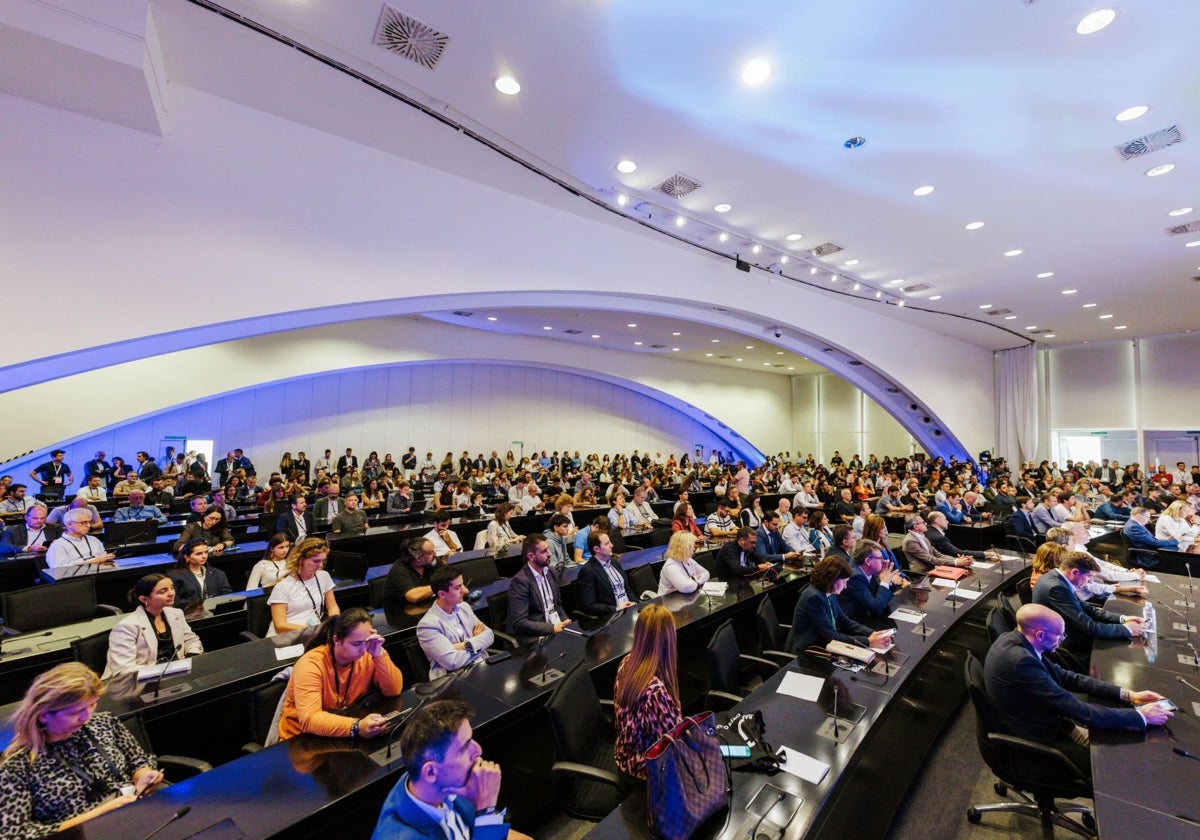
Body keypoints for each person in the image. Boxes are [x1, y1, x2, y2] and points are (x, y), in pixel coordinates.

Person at [983, 603, 1172, 773]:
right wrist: (1141, 716)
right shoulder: (1022, 662)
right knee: (1118, 765)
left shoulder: (1018, 640)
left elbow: (1065, 677)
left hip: (1040, 718)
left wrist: (1128, 695)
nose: (1062, 639)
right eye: (1060, 635)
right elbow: (1076, 709)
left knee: (1117, 734)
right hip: (1038, 739)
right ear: (1040, 634)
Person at [0, 663, 165, 837]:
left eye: (92, 705)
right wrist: (98, 814)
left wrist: (143, 775)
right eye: (76, 712)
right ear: (43, 714)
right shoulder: (18, 765)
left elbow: (138, 760)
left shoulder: (103, 723)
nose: (87, 717)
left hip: (136, 816)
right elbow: (15, 834)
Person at [371, 700, 521, 840]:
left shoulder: (429, 782)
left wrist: (478, 804)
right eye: (465, 747)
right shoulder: (403, 835)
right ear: (430, 772)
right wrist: (486, 808)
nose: (478, 750)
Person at [277, 608, 404, 740]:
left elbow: (393, 690)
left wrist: (379, 655)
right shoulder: (311, 664)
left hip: (339, 732)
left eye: (366, 642)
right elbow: (309, 719)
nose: (363, 649)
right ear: (337, 640)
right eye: (356, 644)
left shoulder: (368, 654)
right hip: (301, 740)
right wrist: (356, 726)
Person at [612, 604, 683, 782]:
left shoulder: (627, 661)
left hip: (625, 755)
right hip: (647, 768)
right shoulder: (654, 693)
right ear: (668, 640)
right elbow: (673, 745)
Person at [1032, 551, 1145, 654]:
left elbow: (1088, 609)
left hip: (1071, 629)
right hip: (1064, 642)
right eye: (1089, 576)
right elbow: (1091, 628)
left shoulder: (1055, 578)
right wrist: (1127, 629)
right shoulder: (1056, 588)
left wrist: (1123, 619)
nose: (1091, 581)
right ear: (1075, 572)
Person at [785, 556, 894, 653]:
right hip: (807, 651)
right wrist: (868, 642)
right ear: (832, 579)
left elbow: (844, 620)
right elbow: (831, 636)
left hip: (822, 644)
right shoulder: (814, 598)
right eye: (843, 582)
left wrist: (872, 633)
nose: (845, 586)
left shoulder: (829, 592)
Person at [103, 573, 203, 679]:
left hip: (176, 673)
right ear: (144, 599)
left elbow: (191, 640)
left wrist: (192, 657)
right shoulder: (126, 627)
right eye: (163, 591)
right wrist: (162, 672)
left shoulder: (176, 614)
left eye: (172, 588)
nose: (171, 593)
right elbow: (124, 669)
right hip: (140, 681)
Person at [417, 566, 496, 679]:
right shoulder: (427, 625)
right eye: (458, 587)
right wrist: (477, 643)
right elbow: (452, 662)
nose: (464, 590)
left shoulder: (464, 607)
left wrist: (463, 645)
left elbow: (489, 635)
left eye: (462, 584)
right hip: (453, 681)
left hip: (482, 668)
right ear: (442, 594)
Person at [268, 537, 340, 636]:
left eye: (323, 560)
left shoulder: (323, 576)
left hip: (314, 632)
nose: (320, 565)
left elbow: (332, 606)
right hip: (287, 635)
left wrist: (333, 624)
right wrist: (313, 630)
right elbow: (280, 626)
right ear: (301, 560)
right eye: (316, 561)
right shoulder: (282, 587)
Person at [506, 534, 572, 636]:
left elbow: (558, 605)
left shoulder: (551, 572)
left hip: (554, 628)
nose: (549, 554)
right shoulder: (520, 581)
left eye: (548, 549)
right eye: (544, 551)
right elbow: (520, 622)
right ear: (531, 556)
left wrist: (566, 623)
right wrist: (552, 628)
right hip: (535, 635)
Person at [839, 539, 909, 621]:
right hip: (854, 621)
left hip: (866, 616)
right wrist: (885, 582)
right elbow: (876, 608)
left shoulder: (869, 570)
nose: (884, 561)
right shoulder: (855, 577)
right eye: (880, 558)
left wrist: (889, 581)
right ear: (868, 561)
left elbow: (878, 596)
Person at [576, 530, 634, 615]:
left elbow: (627, 589)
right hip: (612, 616)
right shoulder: (588, 571)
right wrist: (616, 608)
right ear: (596, 549)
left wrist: (634, 602)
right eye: (607, 544)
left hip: (629, 609)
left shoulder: (615, 563)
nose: (612, 545)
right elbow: (590, 605)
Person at [383, 538, 441, 622]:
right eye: (430, 553)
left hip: (425, 611)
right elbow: (413, 596)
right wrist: (441, 585)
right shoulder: (399, 569)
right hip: (402, 619)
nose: (435, 554)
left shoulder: (433, 562)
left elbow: (451, 579)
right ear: (418, 558)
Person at [44, 508, 114, 568]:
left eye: (89, 522)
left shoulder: (94, 540)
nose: (88, 525)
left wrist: (107, 558)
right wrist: (91, 562)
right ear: (69, 524)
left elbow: (102, 558)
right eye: (83, 522)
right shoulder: (58, 545)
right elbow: (57, 569)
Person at [169, 540, 233, 605]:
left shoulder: (219, 574)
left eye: (206, 552)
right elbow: (174, 600)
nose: (204, 556)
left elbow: (228, 596)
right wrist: (197, 606)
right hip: (189, 612)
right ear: (187, 557)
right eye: (199, 553)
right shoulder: (175, 576)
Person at [900, 513, 973, 570]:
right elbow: (930, 559)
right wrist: (956, 562)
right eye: (922, 522)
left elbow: (938, 554)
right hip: (922, 573)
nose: (926, 523)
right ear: (916, 526)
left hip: (932, 567)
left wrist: (957, 559)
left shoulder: (922, 535)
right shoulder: (910, 541)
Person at [926, 511, 1000, 562]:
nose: (947, 521)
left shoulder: (927, 532)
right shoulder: (939, 538)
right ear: (937, 521)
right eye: (945, 519)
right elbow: (958, 552)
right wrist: (986, 553)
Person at [657, 531, 710, 596]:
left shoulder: (688, 559)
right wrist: (695, 578)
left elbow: (706, 573)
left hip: (683, 598)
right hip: (668, 602)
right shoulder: (670, 566)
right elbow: (687, 588)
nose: (694, 548)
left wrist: (692, 581)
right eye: (691, 546)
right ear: (683, 548)